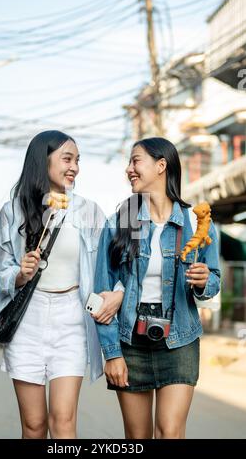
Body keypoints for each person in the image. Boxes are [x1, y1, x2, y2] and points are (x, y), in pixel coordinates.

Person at [0, 130, 119, 439]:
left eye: (78, 160)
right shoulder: (12, 212)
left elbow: (109, 265)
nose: (75, 167)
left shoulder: (88, 211)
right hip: (27, 319)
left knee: (63, 422)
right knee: (34, 425)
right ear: (43, 162)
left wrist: (116, 294)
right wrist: (19, 274)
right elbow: (1, 271)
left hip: (72, 318)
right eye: (67, 159)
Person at [93, 137, 220, 439]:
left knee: (170, 432)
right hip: (130, 341)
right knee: (137, 438)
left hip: (180, 339)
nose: (129, 169)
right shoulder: (118, 223)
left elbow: (214, 280)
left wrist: (204, 282)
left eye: (136, 160)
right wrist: (111, 353)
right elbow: (100, 294)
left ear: (161, 165)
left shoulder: (195, 222)